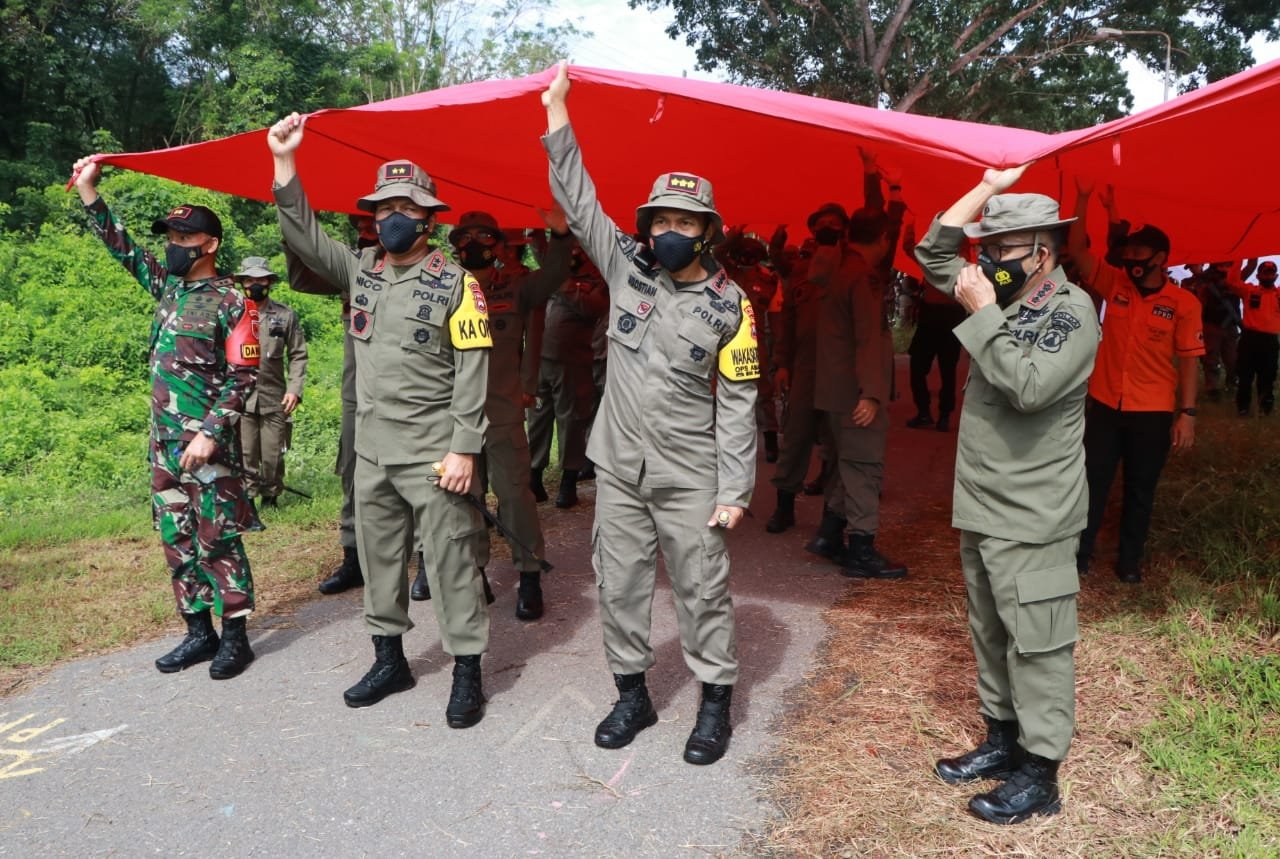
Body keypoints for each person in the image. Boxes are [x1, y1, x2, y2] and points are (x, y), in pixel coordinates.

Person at [542, 62, 758, 765]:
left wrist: (734, 488)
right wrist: (557, 114)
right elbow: (579, 202)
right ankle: (631, 694)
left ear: (706, 231)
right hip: (619, 466)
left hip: (690, 471)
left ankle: (715, 703)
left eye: (683, 222)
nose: (668, 231)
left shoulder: (732, 306)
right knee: (620, 584)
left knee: (702, 588)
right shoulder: (625, 267)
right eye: (660, 219)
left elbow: (740, 401)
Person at [268, 113, 493, 727]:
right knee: (379, 560)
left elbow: (473, 369)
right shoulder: (360, 268)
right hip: (372, 450)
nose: (393, 216)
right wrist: (285, 162)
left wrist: (464, 448)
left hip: (433, 452)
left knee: (450, 563)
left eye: (406, 207)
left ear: (428, 218)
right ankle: (389, 661)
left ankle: (467, 671)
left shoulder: (458, 285)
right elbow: (305, 235)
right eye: (385, 206)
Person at [915, 163, 1100, 825]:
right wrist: (988, 188)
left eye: (1002, 249)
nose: (987, 260)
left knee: (1038, 643)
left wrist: (983, 313)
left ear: (1043, 253)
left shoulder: (1071, 311)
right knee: (991, 630)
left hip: (1035, 512)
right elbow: (933, 252)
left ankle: (1040, 772)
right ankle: (1002, 740)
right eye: (986, 248)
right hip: (984, 504)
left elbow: (1029, 387)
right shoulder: (1003, 293)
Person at [71, 156, 260, 680]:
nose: (175, 245)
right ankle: (198, 632)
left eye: (185, 237)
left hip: (207, 448)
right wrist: (89, 192)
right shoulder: (170, 289)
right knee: (177, 537)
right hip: (165, 447)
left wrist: (210, 433)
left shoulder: (232, 302)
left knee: (218, 537)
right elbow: (124, 248)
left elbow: (244, 377)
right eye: (172, 237)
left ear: (210, 245)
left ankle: (236, 638)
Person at [1068, 182, 1203, 583]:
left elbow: (1190, 361)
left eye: (1139, 253)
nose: (1131, 260)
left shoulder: (1184, 304)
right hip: (1105, 405)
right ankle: (1080, 554)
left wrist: (1187, 414)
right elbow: (1077, 250)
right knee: (1091, 482)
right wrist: (1083, 200)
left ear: (1160, 258)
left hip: (1152, 411)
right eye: (1128, 253)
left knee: (1140, 489)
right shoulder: (1116, 285)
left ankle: (1129, 562)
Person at [444, 209, 572, 619]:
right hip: (452, 416)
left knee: (515, 495)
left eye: (483, 237)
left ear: (497, 245)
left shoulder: (515, 287)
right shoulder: (441, 286)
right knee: (464, 497)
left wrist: (560, 235)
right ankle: (475, 571)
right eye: (465, 237)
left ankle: (529, 573)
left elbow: (553, 276)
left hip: (500, 409)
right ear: (456, 245)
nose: (473, 244)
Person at [287, 215, 378, 594]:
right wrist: (292, 232)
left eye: (372, 225)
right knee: (353, 470)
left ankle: (425, 557)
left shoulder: (419, 272)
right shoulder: (350, 267)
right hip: (357, 393)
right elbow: (301, 279)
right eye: (361, 227)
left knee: (415, 471)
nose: (365, 232)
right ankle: (353, 557)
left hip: (405, 393)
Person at [526, 246, 609, 507]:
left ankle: (568, 482)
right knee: (537, 419)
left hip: (572, 364)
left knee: (571, 422)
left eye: (577, 248)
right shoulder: (554, 275)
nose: (571, 252)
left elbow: (592, 308)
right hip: (541, 360)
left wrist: (563, 284)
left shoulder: (599, 283)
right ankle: (534, 478)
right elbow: (539, 249)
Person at [235, 256, 308, 507]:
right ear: (242, 283)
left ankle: (270, 497)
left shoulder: (285, 316)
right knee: (245, 452)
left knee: (273, 453)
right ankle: (247, 501)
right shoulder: (232, 314)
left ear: (269, 282)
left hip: (274, 396)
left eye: (260, 279)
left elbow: (298, 354)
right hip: (240, 396)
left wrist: (294, 389)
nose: (255, 284)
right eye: (249, 280)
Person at [901, 225, 966, 431]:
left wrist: (910, 226)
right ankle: (940, 415)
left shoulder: (934, 260)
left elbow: (909, 247)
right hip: (949, 315)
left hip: (938, 314)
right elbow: (909, 247)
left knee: (924, 367)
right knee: (945, 369)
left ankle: (928, 413)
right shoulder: (963, 262)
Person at [1224, 259, 1279, 416]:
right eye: (1265, 273)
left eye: (1271, 273)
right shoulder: (1249, 291)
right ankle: (1243, 409)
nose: (1268, 276)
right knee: (1245, 376)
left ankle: (1265, 409)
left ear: (1276, 276)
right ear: (1258, 275)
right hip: (1250, 339)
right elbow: (1232, 281)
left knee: (1267, 377)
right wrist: (1240, 256)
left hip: (1270, 341)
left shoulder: (1278, 295)